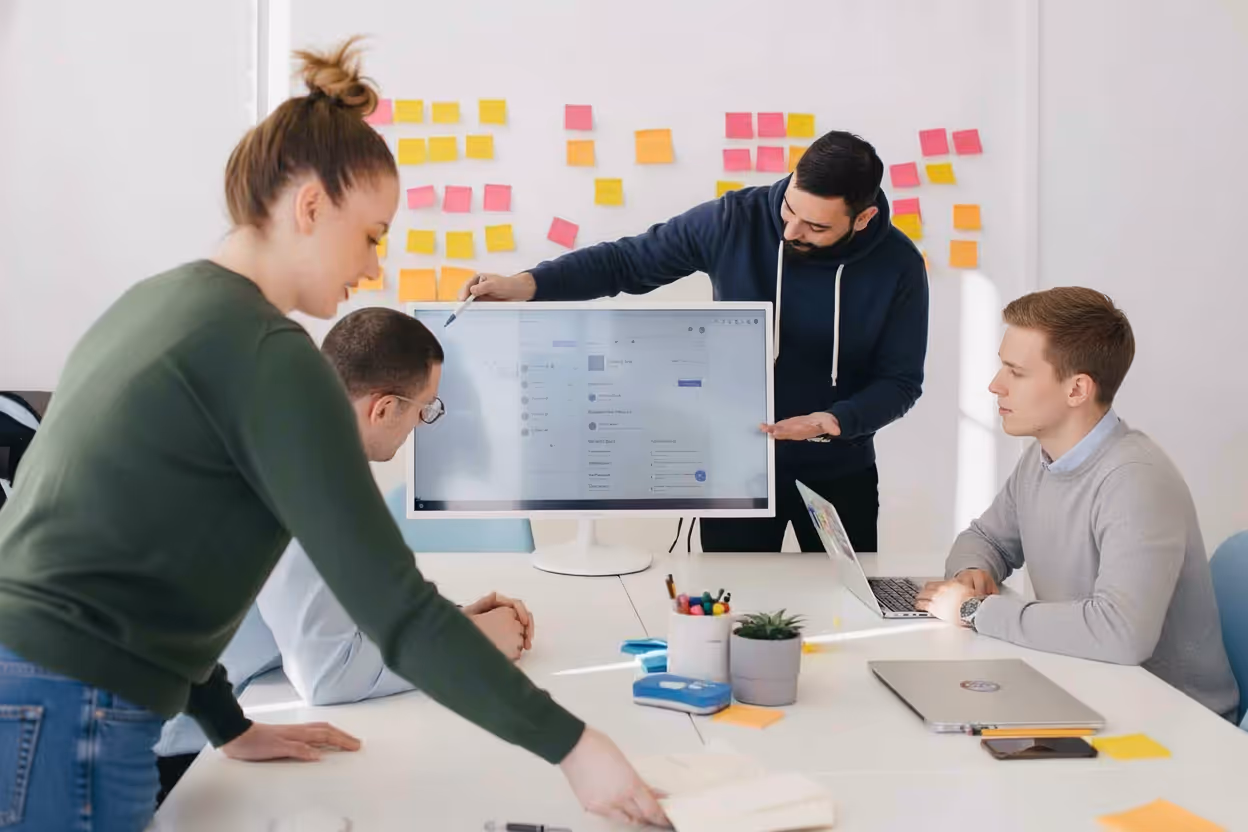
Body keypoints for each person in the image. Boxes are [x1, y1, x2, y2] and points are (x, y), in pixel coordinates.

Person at [0, 38, 666, 831]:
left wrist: (230, 725)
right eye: (372, 236)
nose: (374, 270)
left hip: (41, 686)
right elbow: (398, 611)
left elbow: (150, 559)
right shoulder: (269, 354)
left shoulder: (165, 304)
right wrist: (577, 749)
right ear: (311, 206)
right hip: (72, 702)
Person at [462, 131, 929, 555]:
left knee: (847, 611)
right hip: (733, 470)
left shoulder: (899, 265)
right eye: (789, 208)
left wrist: (830, 421)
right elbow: (625, 262)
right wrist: (526, 284)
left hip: (838, 471)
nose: (790, 232)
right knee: (731, 613)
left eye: (816, 227)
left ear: (863, 218)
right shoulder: (735, 220)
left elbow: (901, 381)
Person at [154, 308, 538, 801]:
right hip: (174, 752)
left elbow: (353, 592)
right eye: (424, 409)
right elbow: (329, 675)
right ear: (382, 408)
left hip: (210, 707)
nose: (421, 425)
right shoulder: (306, 474)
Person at [916, 287, 1239, 719]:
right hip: (1085, 688)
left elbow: (1120, 634)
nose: (996, 385)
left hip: (1171, 723)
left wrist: (975, 610)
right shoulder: (1043, 456)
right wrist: (973, 572)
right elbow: (985, 538)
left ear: (1077, 390)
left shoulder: (1135, 480)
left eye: (1016, 372)